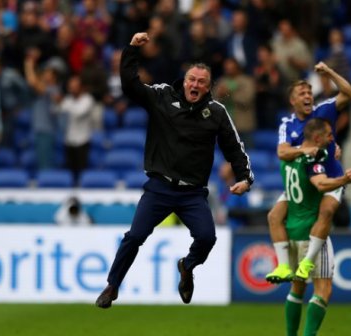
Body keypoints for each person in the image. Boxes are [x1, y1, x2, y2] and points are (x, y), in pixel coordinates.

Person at [95, 32, 253, 308]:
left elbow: (234, 148)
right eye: (192, 79)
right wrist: (131, 49)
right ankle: (112, 286)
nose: (195, 84)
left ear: (208, 87)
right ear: (185, 80)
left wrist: (245, 178)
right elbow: (130, 85)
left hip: (192, 193)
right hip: (159, 188)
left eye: (201, 82)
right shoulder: (162, 96)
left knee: (207, 237)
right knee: (135, 236)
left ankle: (187, 266)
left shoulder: (216, 112)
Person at [265, 61, 351, 284]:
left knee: (327, 211)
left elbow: (349, 92)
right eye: (301, 93)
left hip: (329, 177)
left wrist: (329, 71)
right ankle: (284, 266)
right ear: (292, 100)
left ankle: (307, 262)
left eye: (309, 92)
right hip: (302, 185)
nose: (307, 95)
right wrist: (304, 150)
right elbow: (281, 152)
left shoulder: (324, 111)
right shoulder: (288, 124)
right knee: (274, 216)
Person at [280, 118, 351, 336]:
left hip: (291, 230)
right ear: (316, 138)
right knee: (323, 289)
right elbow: (321, 184)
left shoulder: (289, 157)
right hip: (312, 232)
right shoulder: (313, 157)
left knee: (297, 288)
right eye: (328, 135)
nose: (332, 139)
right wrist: (344, 179)